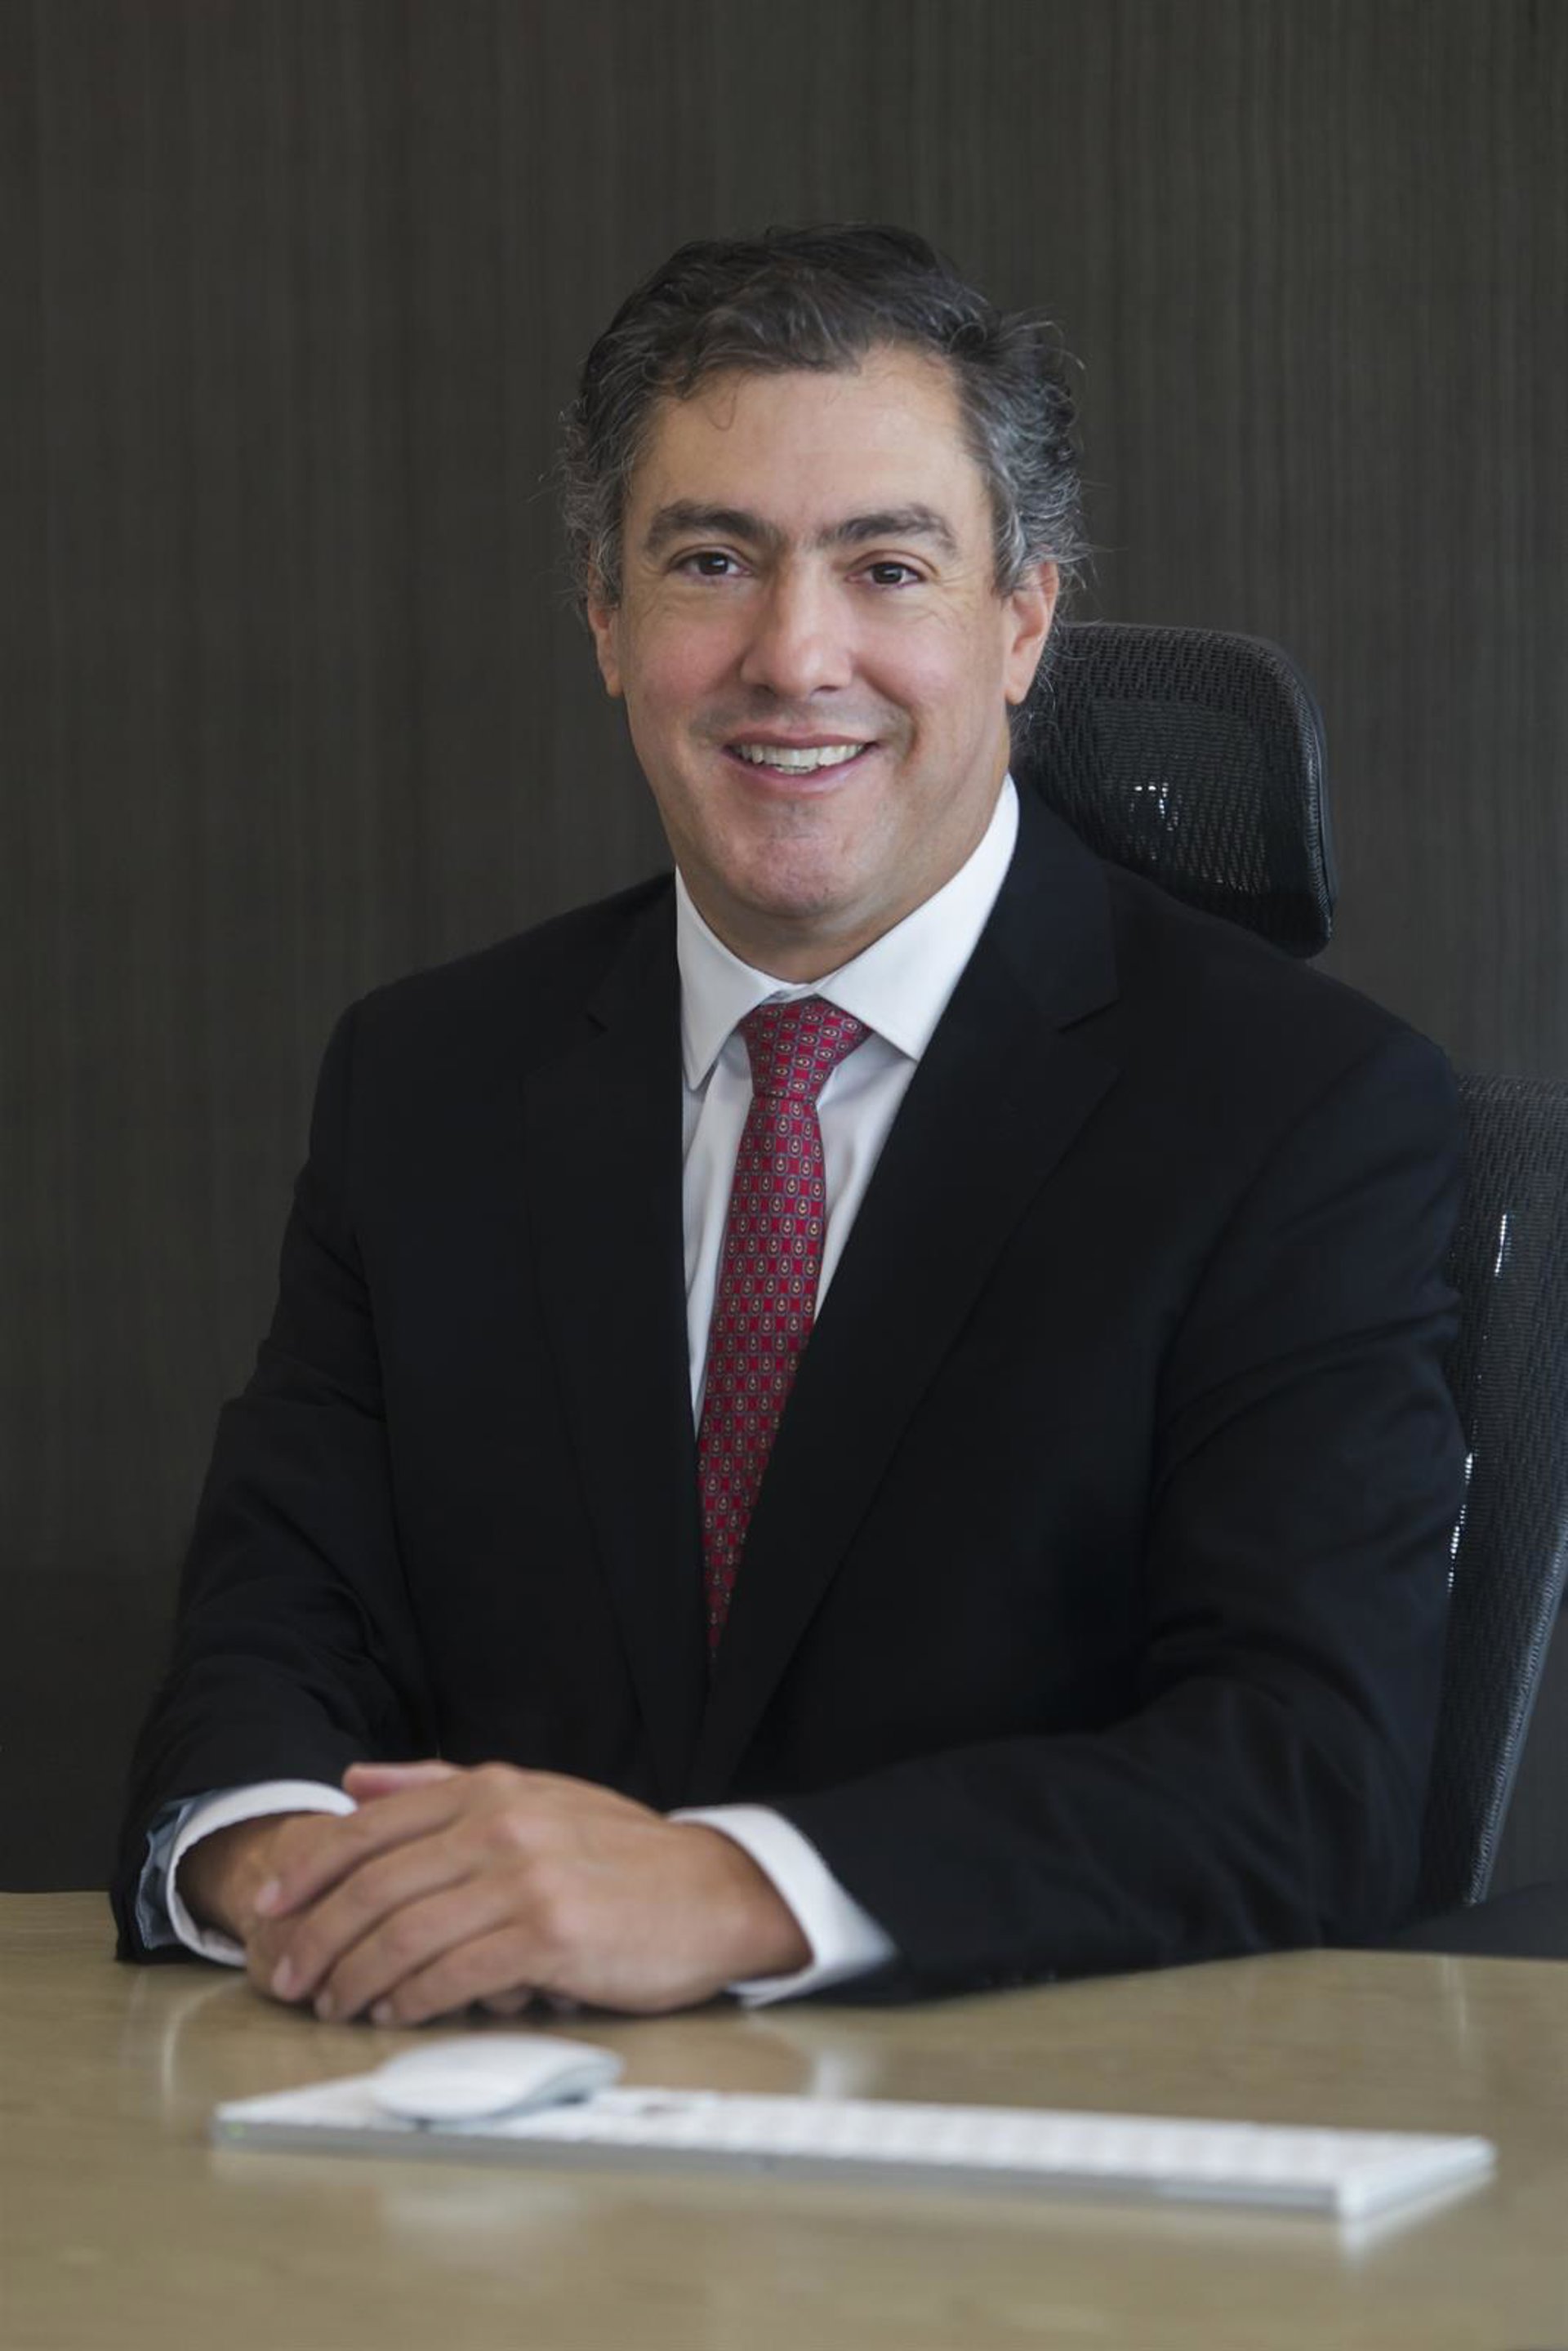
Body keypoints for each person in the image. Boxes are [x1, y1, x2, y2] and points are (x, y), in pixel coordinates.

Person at [112, 225, 1466, 2025]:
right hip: (482, 2122)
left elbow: (1306, 1775)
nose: (793, 654)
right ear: (606, 621)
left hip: (1042, 2129)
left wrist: (733, 1893)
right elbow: (273, 1637)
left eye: (888, 568)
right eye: (710, 562)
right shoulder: (425, 1083)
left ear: (1023, 623)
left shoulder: (1299, 1115)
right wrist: (290, 1868)